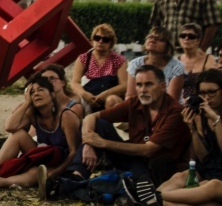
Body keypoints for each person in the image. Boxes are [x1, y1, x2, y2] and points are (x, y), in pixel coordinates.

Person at [62, 64, 190, 186]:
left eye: (148, 84)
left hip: (158, 168)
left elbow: (148, 150)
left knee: (115, 182)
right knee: (100, 124)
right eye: (139, 85)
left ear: (162, 86)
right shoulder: (135, 103)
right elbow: (91, 117)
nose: (143, 90)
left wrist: (103, 143)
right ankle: (76, 175)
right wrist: (89, 142)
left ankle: (71, 185)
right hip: (135, 159)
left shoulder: (175, 111)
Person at [0, 74, 80, 192]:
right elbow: (10, 127)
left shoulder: (66, 116)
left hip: (62, 161)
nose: (36, 94)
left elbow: (74, 152)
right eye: (32, 92)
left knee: (36, 171)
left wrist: (56, 172)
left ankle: (0, 181)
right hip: (42, 154)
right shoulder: (34, 114)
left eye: (41, 90)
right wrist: (26, 104)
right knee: (18, 134)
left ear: (52, 94)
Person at [152, 69, 222, 206]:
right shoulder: (201, 115)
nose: (207, 98)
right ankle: (158, 203)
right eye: (202, 94)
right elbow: (203, 157)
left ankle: (154, 196)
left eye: (212, 92)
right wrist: (194, 130)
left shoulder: (213, 116)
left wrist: (216, 120)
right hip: (211, 169)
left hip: (218, 180)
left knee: (211, 185)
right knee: (182, 177)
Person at [113, 27, 184, 107]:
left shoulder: (176, 66)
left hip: (168, 110)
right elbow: (131, 96)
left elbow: (171, 100)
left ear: (168, 45)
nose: (152, 40)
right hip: (141, 108)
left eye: (159, 39)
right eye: (150, 37)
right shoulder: (135, 64)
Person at [70, 23, 128, 113]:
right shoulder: (84, 58)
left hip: (110, 95)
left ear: (111, 43)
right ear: (92, 40)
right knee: (74, 104)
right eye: (97, 38)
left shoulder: (119, 60)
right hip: (88, 95)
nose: (100, 41)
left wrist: (106, 94)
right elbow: (74, 82)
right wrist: (84, 94)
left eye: (105, 39)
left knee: (112, 100)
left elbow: (124, 85)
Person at [176, 23, 217, 105]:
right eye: (183, 36)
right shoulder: (176, 60)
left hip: (202, 103)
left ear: (198, 40)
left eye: (191, 36)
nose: (186, 38)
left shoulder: (208, 59)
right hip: (179, 104)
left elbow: (213, 85)